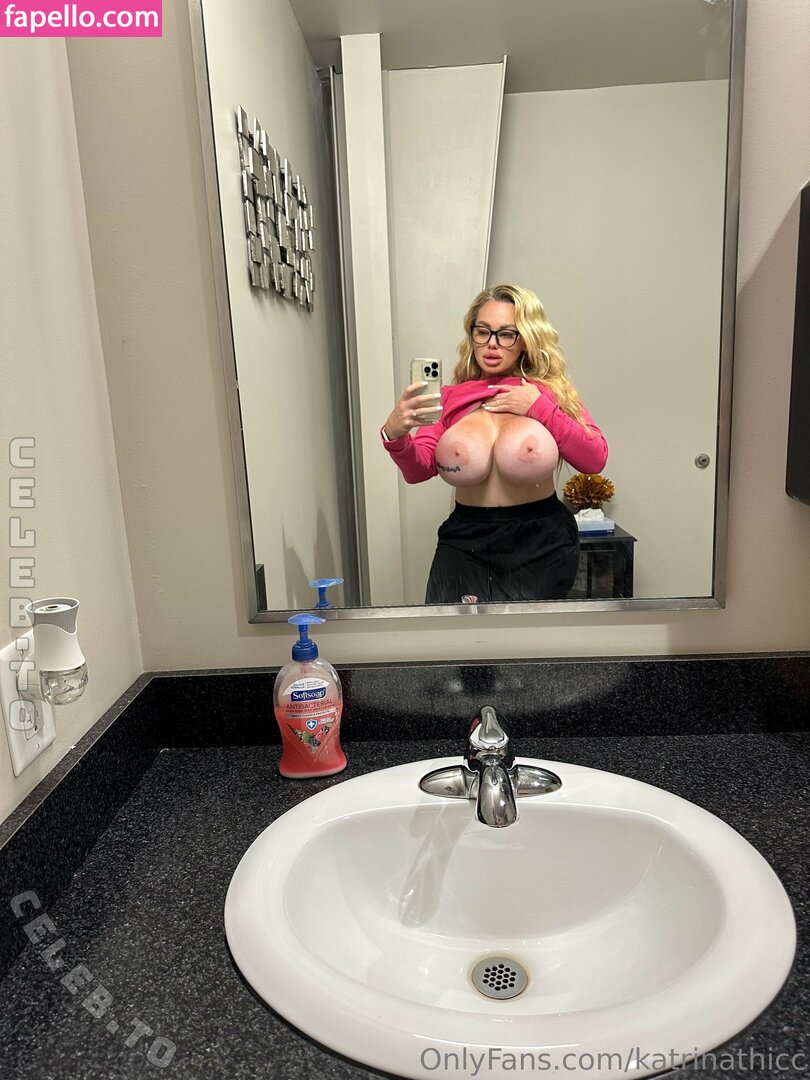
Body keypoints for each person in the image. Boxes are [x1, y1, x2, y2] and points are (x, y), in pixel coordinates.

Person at [381, 283, 608, 604]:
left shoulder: (548, 393)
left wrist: (539, 408)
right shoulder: (450, 398)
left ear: (526, 338)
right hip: (465, 541)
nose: (492, 343)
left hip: (542, 542)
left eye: (506, 334)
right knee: (451, 633)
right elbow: (418, 471)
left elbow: (594, 459)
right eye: (483, 331)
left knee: (529, 636)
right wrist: (395, 435)